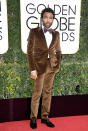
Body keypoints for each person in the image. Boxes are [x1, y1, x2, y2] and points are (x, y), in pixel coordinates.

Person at [27, 7, 61, 129]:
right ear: (42, 18)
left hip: (51, 67)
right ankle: (33, 118)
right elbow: (29, 52)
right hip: (39, 67)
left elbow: (58, 51)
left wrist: (57, 66)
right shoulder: (34, 32)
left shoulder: (56, 34)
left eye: (51, 18)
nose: (48, 20)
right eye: (46, 17)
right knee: (37, 93)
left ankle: (45, 117)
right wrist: (32, 69)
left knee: (48, 92)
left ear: (53, 20)